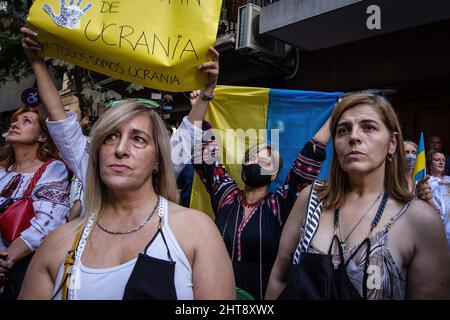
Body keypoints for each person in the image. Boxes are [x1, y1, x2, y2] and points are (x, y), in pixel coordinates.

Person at [19, 27, 234, 300]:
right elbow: (61, 120)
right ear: (96, 153)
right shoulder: (56, 246)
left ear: (158, 160)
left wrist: (206, 93)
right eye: (110, 137)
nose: (121, 150)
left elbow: (188, 134)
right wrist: (37, 62)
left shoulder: (195, 233)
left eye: (139, 140)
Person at [266, 93, 450, 300]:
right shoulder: (310, 200)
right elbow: (280, 277)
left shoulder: (420, 220)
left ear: (392, 143)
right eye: (343, 130)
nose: (354, 137)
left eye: (368, 127)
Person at [193, 89, 332, 299]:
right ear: (243, 165)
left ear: (274, 173)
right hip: (219, 293)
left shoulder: (281, 203)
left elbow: (308, 159)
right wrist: (199, 105)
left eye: (265, 162)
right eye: (252, 158)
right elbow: (205, 155)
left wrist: (337, 114)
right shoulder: (225, 194)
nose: (257, 163)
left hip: (264, 295)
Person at [0, 107, 70, 299]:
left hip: (19, 271)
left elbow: (47, 223)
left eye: (26, 121)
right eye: (14, 120)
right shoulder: (2, 171)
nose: (15, 124)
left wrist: (4, 263)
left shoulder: (53, 168)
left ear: (42, 137)